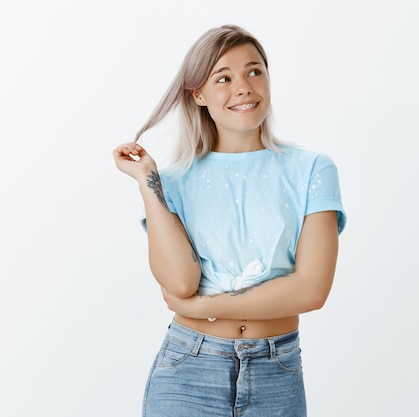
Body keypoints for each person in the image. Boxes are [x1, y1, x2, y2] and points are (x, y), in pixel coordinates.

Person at [113, 24, 346, 417]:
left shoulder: (312, 170)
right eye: (224, 78)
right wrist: (148, 181)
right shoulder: (173, 181)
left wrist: (205, 306)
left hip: (277, 371)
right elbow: (179, 283)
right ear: (199, 95)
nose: (244, 87)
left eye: (255, 71)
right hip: (188, 370)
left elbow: (312, 290)